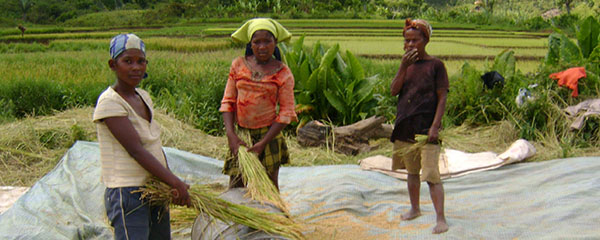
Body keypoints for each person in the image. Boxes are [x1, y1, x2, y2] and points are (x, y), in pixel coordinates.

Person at [93, 33, 191, 239]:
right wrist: (175, 182)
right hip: (128, 193)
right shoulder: (110, 102)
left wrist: (169, 181)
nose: (136, 67)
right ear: (113, 64)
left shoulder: (143, 97)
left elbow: (153, 145)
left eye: (141, 61)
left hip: (154, 189)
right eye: (127, 61)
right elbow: (136, 150)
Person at [220, 18, 297, 190]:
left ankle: (273, 217)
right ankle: (238, 216)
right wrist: (231, 135)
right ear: (250, 44)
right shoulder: (238, 65)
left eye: (267, 41)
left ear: (275, 43)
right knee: (236, 185)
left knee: (269, 188)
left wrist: (263, 142)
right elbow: (228, 102)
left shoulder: (283, 73)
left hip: (269, 136)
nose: (262, 47)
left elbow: (286, 113)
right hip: (242, 137)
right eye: (257, 42)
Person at [390, 19, 449, 234]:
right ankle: (415, 208)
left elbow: (442, 98)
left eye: (415, 40)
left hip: (426, 129)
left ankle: (440, 218)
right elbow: (393, 91)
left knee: (432, 175)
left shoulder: (436, 66)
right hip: (405, 125)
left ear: (426, 40)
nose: (410, 45)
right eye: (407, 41)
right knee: (412, 173)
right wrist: (403, 66)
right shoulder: (406, 66)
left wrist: (435, 126)